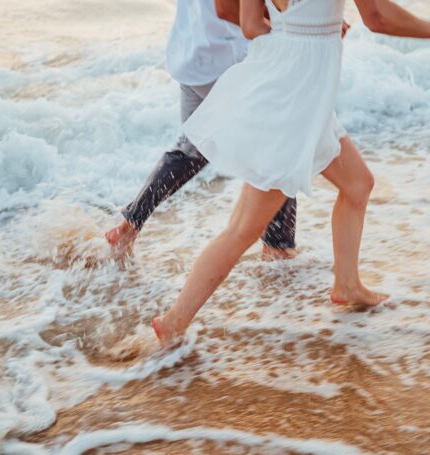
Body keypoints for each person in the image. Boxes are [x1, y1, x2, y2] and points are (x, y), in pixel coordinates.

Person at [152, 0, 430, 345]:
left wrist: (304, 27)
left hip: (286, 82)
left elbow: (250, 27)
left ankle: (347, 284)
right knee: (242, 229)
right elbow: (377, 18)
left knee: (358, 184)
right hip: (296, 97)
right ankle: (173, 321)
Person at [104, 0, 298, 261]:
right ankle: (278, 250)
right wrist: (298, 28)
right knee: (278, 147)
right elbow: (228, 10)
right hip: (227, 60)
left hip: (192, 51)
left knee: (193, 149)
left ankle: (128, 226)